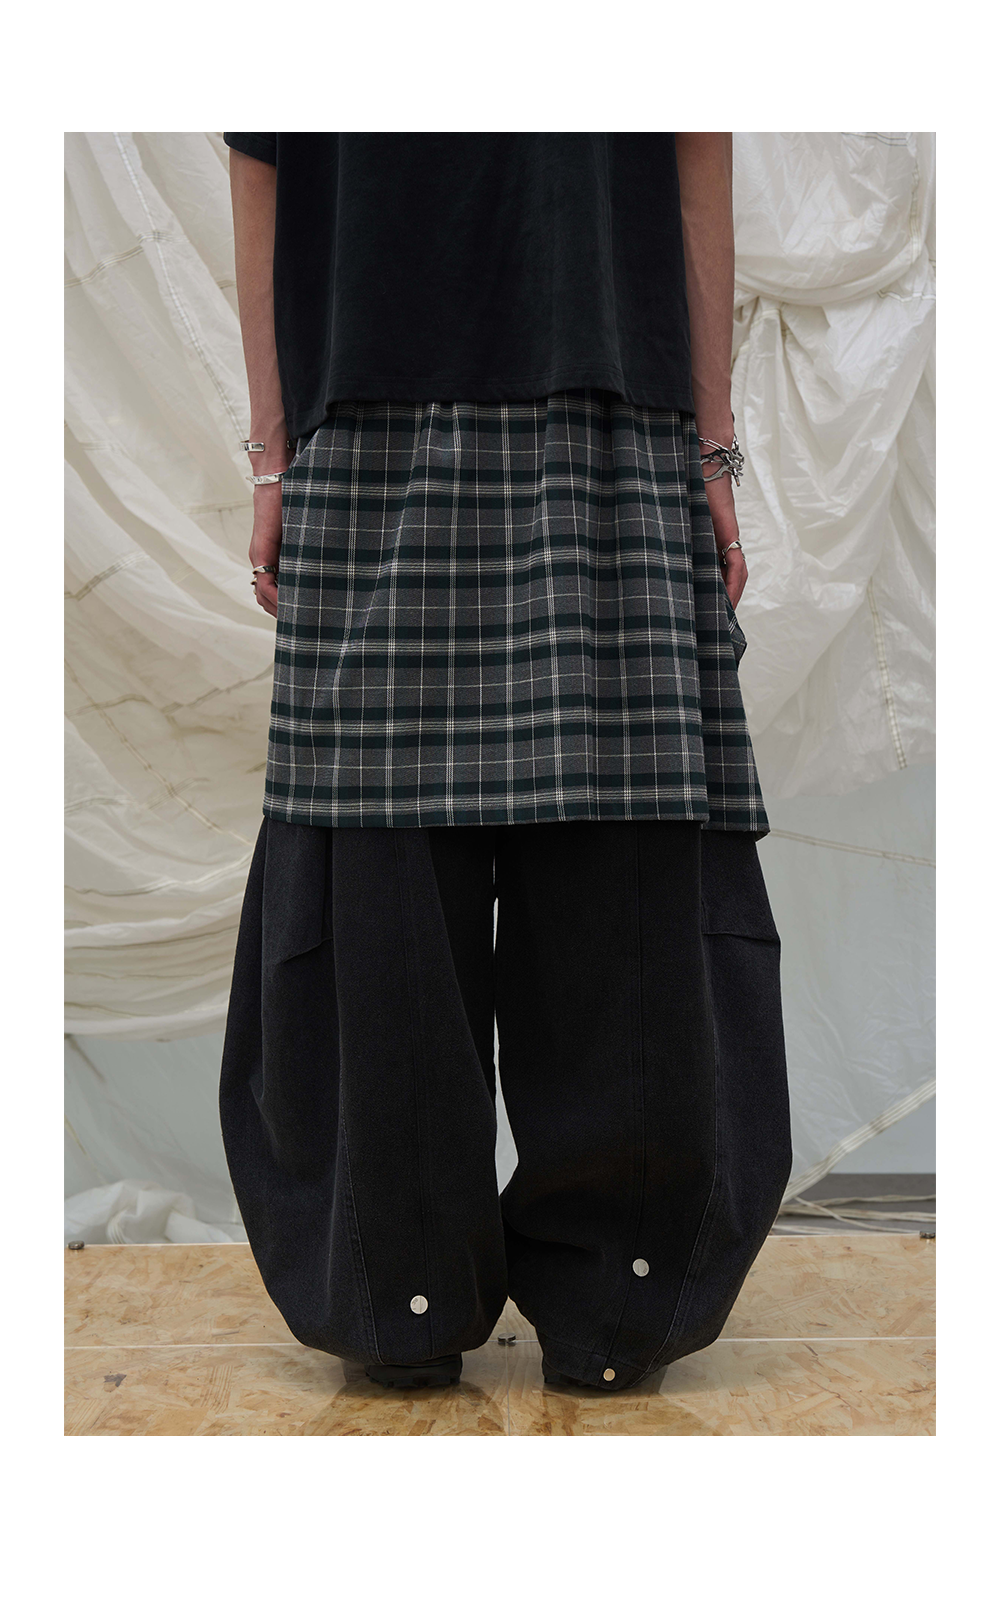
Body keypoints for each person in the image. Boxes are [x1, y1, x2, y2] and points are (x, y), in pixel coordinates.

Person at [219, 132, 793, 1393]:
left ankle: (469, 1301)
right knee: (401, 871)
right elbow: (261, 151)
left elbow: (694, 134)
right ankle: (511, 1300)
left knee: (604, 864)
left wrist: (710, 439)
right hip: (469, 408)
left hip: (559, 398)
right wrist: (271, 451)